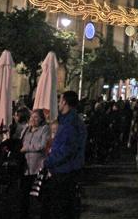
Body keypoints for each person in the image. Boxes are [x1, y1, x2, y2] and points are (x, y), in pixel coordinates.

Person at [43, 91, 87, 219]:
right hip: (65, 170)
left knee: (62, 209)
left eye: (60, 100)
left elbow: (67, 149)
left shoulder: (70, 123)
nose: (58, 103)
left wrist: (48, 161)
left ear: (64, 102)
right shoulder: (69, 121)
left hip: (64, 172)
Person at [20, 109, 50, 218]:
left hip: (37, 167)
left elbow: (42, 145)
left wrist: (27, 148)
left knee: (39, 194)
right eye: (32, 117)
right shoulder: (26, 129)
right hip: (25, 167)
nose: (33, 119)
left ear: (41, 119)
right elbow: (20, 142)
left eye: (36, 117)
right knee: (24, 194)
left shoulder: (44, 129)